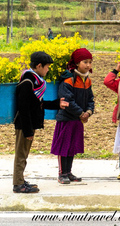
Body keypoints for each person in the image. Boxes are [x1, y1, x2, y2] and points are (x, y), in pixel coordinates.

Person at [13, 51, 68, 193]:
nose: (48, 69)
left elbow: (38, 104)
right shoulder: (28, 82)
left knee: (24, 154)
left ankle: (20, 180)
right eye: (47, 67)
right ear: (39, 66)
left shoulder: (35, 81)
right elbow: (23, 109)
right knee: (21, 154)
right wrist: (28, 130)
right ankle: (18, 185)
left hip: (29, 123)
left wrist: (56, 104)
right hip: (25, 124)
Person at [50, 48, 95, 185]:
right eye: (85, 62)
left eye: (90, 62)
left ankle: (68, 172)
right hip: (67, 118)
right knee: (64, 146)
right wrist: (81, 113)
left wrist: (89, 111)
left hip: (77, 119)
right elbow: (67, 101)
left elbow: (91, 99)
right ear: (76, 63)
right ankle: (61, 173)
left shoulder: (86, 80)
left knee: (72, 146)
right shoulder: (68, 80)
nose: (88, 65)